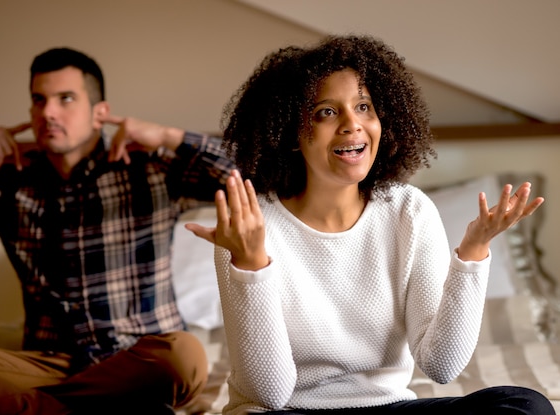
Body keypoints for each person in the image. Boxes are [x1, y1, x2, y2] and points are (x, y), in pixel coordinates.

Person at [185, 34, 554, 415]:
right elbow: (270, 394)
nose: (352, 124)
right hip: (285, 414)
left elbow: (442, 366)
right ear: (292, 133)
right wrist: (251, 266)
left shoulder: (410, 211)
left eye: (364, 107)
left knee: (525, 406)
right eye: (326, 112)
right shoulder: (249, 225)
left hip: (385, 409)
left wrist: (474, 252)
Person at [0, 47, 235, 414]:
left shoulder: (151, 169)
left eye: (66, 99)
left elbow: (258, 181)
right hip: (49, 365)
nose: (47, 113)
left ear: (100, 113)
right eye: (38, 100)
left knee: (185, 353)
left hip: (139, 360)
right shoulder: (6, 182)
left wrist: (169, 135)